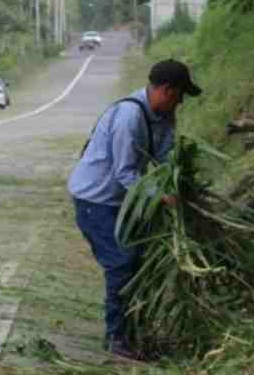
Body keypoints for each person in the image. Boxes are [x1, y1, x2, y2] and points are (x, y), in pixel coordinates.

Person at [67, 59, 202, 359]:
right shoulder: (129, 116)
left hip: (122, 201)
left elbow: (165, 158)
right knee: (120, 263)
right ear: (166, 90)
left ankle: (132, 333)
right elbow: (125, 172)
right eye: (179, 96)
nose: (179, 104)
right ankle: (115, 338)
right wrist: (161, 196)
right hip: (96, 201)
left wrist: (179, 182)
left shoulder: (163, 117)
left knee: (137, 262)